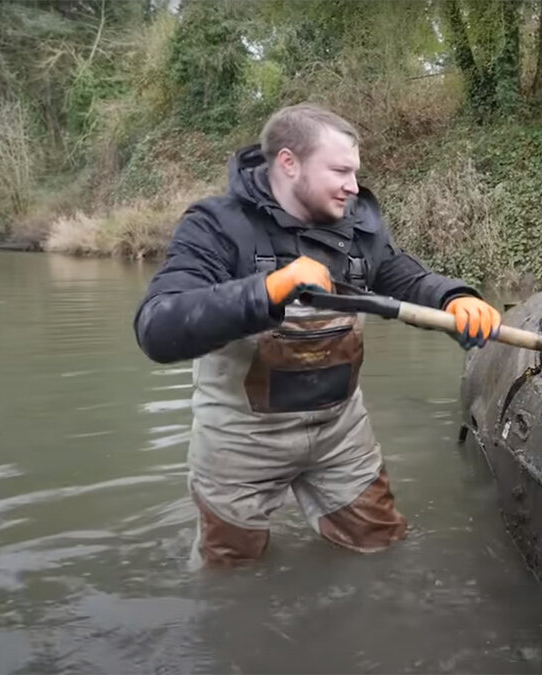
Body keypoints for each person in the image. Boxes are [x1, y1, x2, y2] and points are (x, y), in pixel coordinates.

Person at [133, 104, 502, 567]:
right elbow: (158, 328)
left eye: (355, 172)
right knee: (230, 574)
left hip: (339, 433)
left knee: (382, 548)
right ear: (289, 163)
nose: (353, 185)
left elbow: (406, 278)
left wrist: (454, 297)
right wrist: (268, 289)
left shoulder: (359, 227)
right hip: (241, 441)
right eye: (340, 171)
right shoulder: (215, 227)